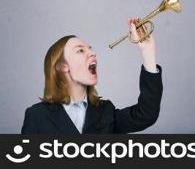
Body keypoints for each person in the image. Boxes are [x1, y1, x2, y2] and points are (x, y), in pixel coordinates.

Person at [21, 17, 163, 134]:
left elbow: (146, 114)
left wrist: (148, 53)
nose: (92, 53)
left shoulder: (106, 111)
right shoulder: (37, 115)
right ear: (62, 66)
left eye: (90, 48)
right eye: (80, 51)